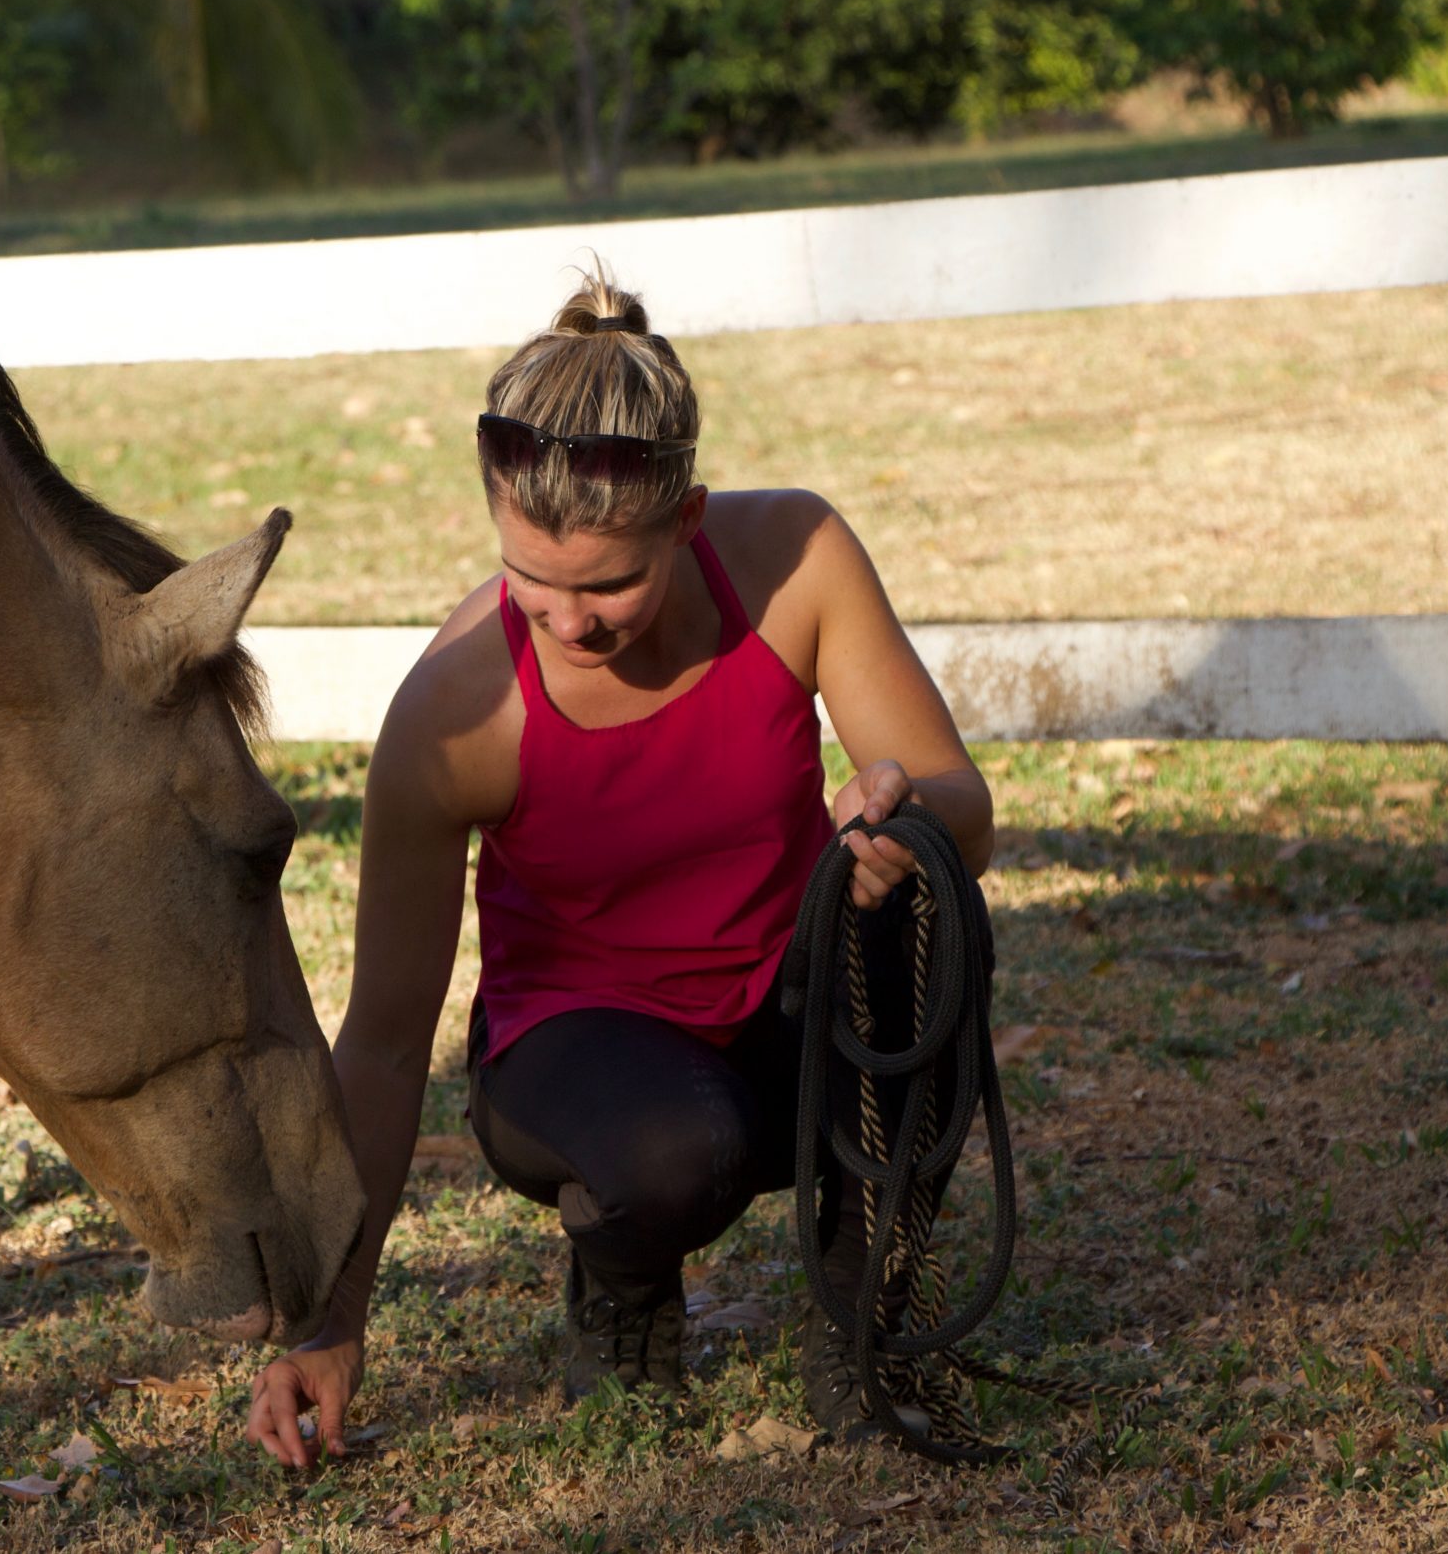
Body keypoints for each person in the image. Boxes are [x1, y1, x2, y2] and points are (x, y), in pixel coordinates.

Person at [245, 270, 994, 1467]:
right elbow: (385, 1041)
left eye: (608, 584)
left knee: (927, 915)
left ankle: (863, 1328)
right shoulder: (455, 712)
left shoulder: (795, 562)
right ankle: (621, 1278)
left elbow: (963, 799)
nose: (568, 620)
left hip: (779, 997)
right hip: (572, 1046)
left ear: (687, 520)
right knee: (680, 1155)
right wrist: (329, 1320)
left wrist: (904, 824)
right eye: (529, 578)